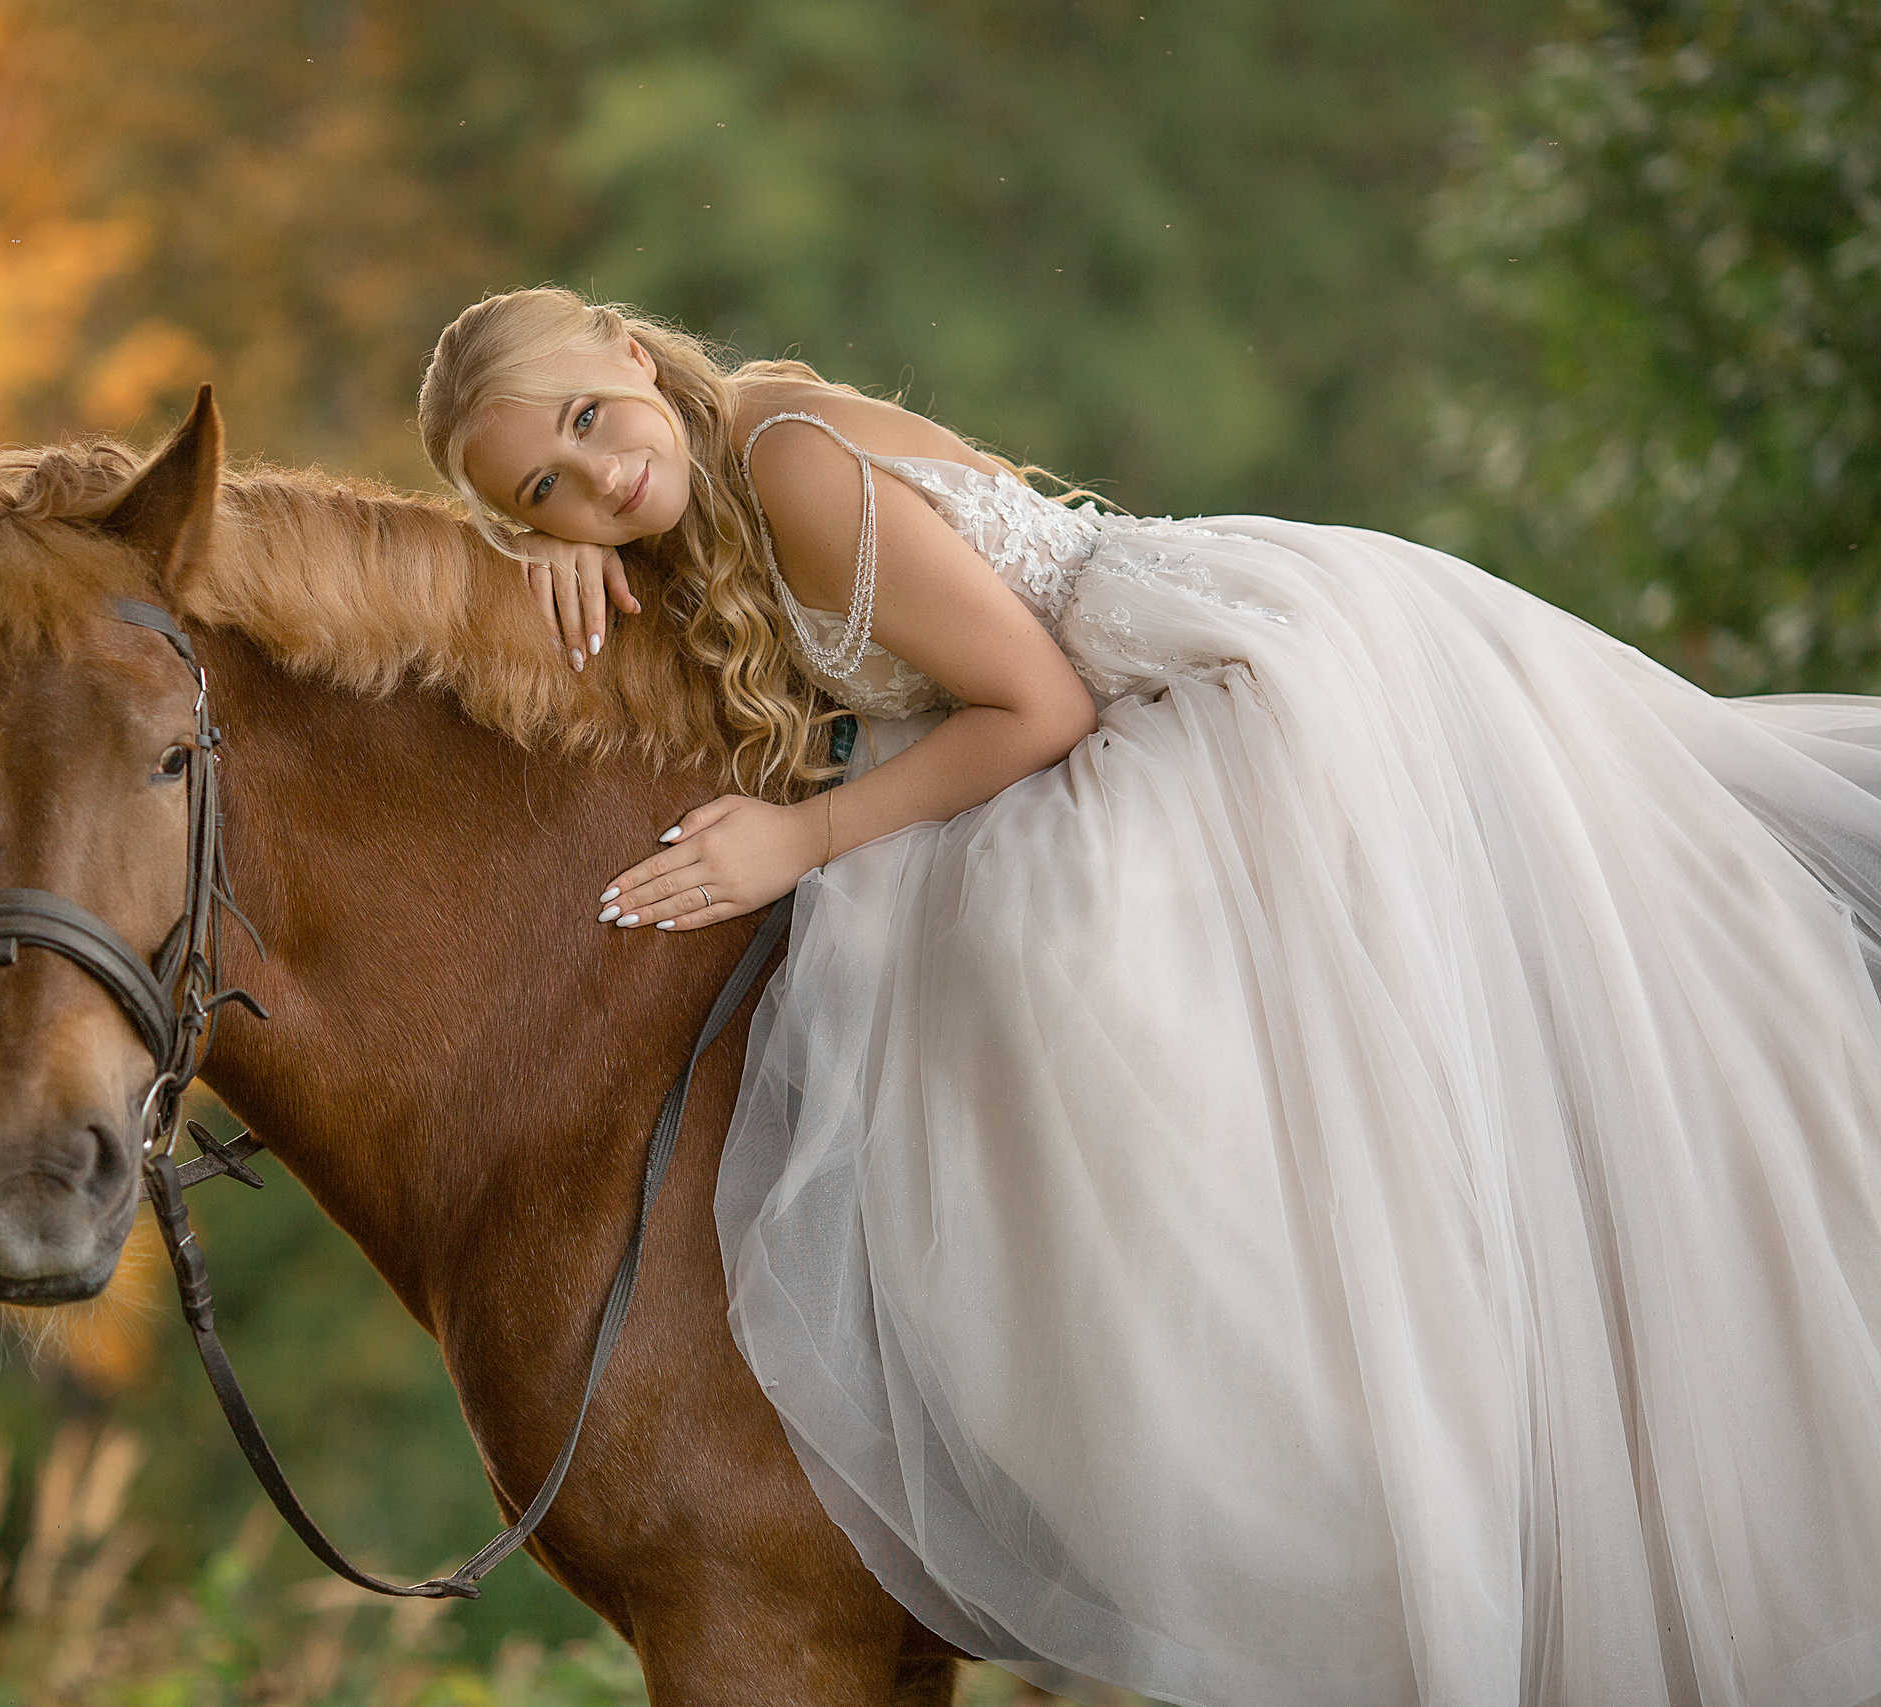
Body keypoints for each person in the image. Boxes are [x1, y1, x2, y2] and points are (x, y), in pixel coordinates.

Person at [416, 286, 1881, 1707]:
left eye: (589, 421)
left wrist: (803, 839)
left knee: (1058, 979)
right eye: (548, 490)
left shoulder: (784, 462)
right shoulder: (684, 507)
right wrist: (544, 559)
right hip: (1058, 714)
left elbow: (1038, 705)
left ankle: (1322, 1461)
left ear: (629, 352)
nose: (602, 480)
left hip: (1155, 696)